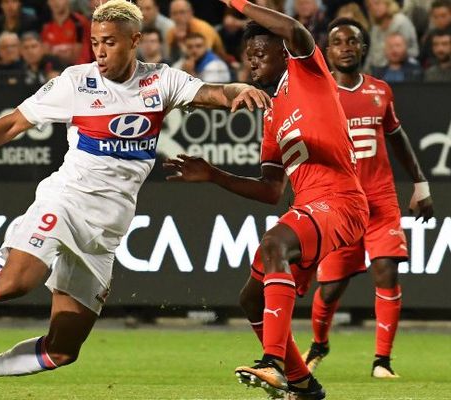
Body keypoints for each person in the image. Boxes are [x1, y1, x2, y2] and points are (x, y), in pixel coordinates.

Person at [0, 1, 270, 392]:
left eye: (110, 43)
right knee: (15, 283)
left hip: (104, 232)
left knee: (62, 351)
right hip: (65, 202)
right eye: (95, 42)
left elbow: (217, 93)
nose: (100, 52)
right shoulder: (76, 82)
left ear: (135, 40)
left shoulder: (161, 81)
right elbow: (12, 124)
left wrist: (243, 89)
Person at [164, 0, 372, 398]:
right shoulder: (272, 114)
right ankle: (303, 383)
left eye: (261, 52)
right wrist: (213, 175)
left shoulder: (308, 71)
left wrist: (242, 5)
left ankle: (273, 363)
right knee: (249, 299)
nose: (253, 61)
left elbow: (296, 30)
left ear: (282, 53)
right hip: (308, 207)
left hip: (342, 200)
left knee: (274, 242)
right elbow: (270, 190)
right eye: (249, 55)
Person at [299, 17, 434, 380]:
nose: (345, 46)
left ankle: (382, 362)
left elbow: (397, 136)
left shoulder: (380, 91)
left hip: (380, 199)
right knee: (329, 290)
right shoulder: (317, 94)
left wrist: (420, 184)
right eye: (338, 41)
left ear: (363, 48)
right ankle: (319, 343)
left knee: (387, 269)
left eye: (352, 41)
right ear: (326, 52)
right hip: (339, 204)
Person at [364, 0, 419, 70]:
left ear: (388, 3)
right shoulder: (375, 28)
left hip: (402, 69)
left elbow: (405, 51)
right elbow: (371, 54)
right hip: (377, 70)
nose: (373, 8)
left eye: (377, 3)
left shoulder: (401, 21)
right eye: (369, 6)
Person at [41, 0, 92, 65]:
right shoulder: (46, 26)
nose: (55, 2)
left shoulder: (80, 23)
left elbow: (79, 55)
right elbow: (46, 53)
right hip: (55, 71)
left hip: (78, 69)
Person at [420, 0, 451, 67]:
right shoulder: (430, 35)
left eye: (443, 16)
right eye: (435, 17)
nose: (439, 20)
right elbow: (423, 57)